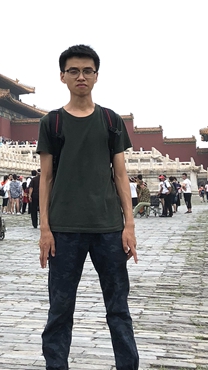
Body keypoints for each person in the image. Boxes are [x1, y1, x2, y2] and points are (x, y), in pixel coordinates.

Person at [37, 44, 138, 370]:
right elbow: (46, 178)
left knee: (118, 309)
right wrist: (45, 229)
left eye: (87, 71)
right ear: (63, 76)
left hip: (108, 228)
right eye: (74, 71)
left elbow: (120, 174)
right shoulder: (52, 122)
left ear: (96, 76)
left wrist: (129, 225)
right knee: (60, 310)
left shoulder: (110, 120)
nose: (81, 76)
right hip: (64, 230)